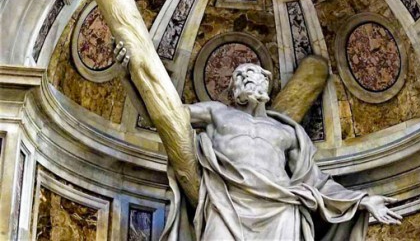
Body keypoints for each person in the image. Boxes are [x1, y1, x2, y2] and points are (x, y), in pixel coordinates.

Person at [115, 46, 402, 241]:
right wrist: (131, 77)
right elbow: (163, 115)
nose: (247, 78)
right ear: (233, 89)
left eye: (254, 74)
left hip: (279, 207)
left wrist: (364, 200)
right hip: (226, 204)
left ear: (267, 86)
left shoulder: (285, 130)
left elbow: (316, 181)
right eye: (240, 76)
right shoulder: (217, 112)